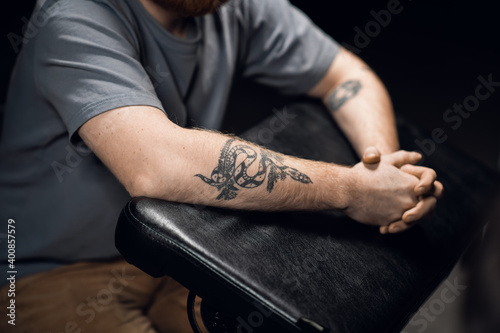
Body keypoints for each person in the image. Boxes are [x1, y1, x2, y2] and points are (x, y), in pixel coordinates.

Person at [0, 0, 443, 331]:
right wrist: (351, 191)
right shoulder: (72, 15)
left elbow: (347, 75)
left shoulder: (233, 6)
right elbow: (157, 164)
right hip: (45, 272)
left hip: (181, 248)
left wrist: (385, 173)